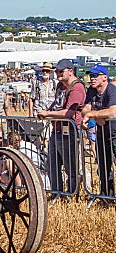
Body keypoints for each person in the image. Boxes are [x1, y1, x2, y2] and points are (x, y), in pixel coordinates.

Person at [38, 59, 86, 195]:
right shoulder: (60, 85)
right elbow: (57, 104)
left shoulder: (77, 87)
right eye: (56, 71)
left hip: (70, 131)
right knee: (52, 165)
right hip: (57, 130)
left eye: (61, 71)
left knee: (70, 167)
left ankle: (71, 194)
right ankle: (56, 192)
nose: (57, 73)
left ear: (70, 71)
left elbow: (69, 113)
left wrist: (47, 114)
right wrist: (47, 112)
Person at [82, 65, 116, 197]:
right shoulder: (92, 90)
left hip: (115, 134)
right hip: (102, 134)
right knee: (103, 167)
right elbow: (85, 109)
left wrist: (94, 115)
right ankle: (107, 196)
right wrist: (96, 115)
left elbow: (113, 113)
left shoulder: (112, 90)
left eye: (95, 75)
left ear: (105, 77)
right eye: (91, 76)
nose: (92, 78)